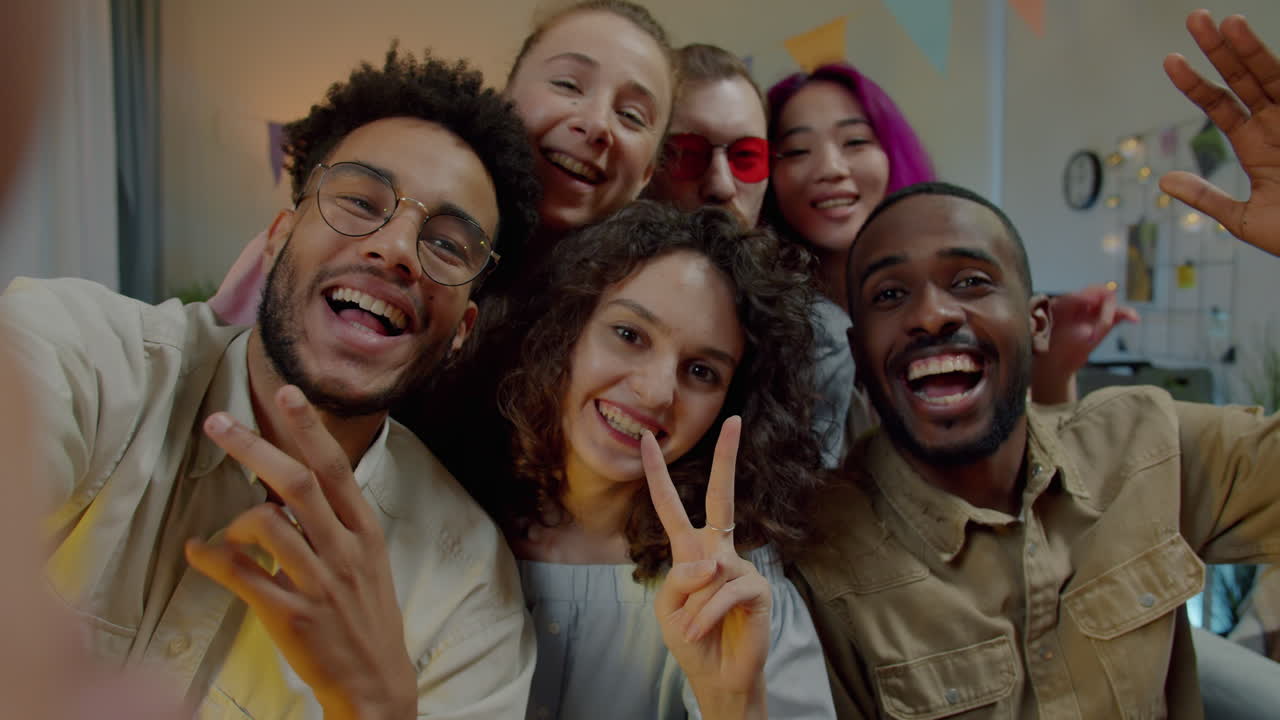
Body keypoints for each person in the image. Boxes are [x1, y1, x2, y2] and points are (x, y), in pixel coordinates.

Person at [0, 48, 541, 719]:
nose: (397, 248)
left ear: (462, 329)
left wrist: (376, 704)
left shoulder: (468, 595)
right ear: (277, 239)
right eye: (359, 201)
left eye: (447, 245)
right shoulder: (88, 358)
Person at [791, 11, 1280, 718]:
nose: (932, 315)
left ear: (1037, 322)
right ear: (861, 360)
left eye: (970, 281)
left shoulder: (1147, 442)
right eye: (891, 295)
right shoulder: (825, 553)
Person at [482, 200, 833, 719]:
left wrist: (733, 701)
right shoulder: (454, 513)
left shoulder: (730, 585)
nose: (654, 392)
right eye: (629, 336)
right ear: (565, 331)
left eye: (701, 371)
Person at [764, 61, 1137, 465]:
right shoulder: (768, 328)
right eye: (798, 150)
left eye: (855, 142)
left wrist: (1053, 368)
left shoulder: (965, 306)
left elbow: (1037, 482)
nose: (831, 169)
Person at [212, 0, 674, 324]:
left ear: (648, 174)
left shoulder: (630, 319)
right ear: (505, 97)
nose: (596, 125)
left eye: (632, 116)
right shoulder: (331, 243)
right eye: (569, 85)